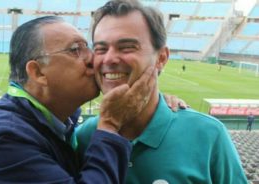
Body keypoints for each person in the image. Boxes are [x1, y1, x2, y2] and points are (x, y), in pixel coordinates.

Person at [0, 16, 158, 183]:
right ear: (38, 72)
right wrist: (110, 125)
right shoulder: (2, 139)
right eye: (75, 50)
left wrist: (154, 101)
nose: (93, 59)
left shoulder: (54, 118)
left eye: (87, 47)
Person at [76, 1, 248, 183]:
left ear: (162, 57)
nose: (109, 58)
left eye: (127, 47)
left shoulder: (208, 135)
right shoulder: (83, 138)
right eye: (100, 49)